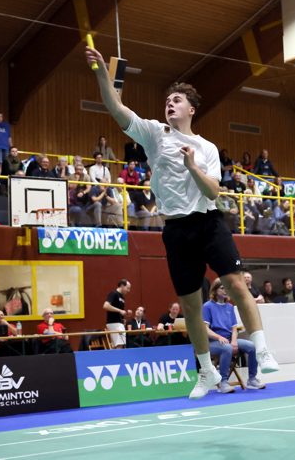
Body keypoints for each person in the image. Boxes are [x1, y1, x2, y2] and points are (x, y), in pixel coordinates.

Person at [85, 46, 279, 400]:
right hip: (175, 229)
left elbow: (215, 191)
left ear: (191, 109)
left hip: (208, 223)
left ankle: (263, 349)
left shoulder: (206, 148)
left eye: (177, 100)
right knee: (190, 305)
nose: (169, 104)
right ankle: (205, 371)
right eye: (167, 101)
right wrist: (101, 72)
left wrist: (193, 166)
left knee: (236, 283)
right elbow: (116, 109)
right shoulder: (155, 134)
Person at [203, 281, 267, 392]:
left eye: (227, 288)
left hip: (229, 341)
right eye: (222, 288)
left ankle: (252, 380)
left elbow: (234, 328)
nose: (225, 291)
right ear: (215, 290)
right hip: (212, 343)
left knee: (252, 346)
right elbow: (205, 329)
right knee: (227, 348)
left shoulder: (230, 306)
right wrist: (218, 337)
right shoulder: (207, 306)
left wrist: (233, 341)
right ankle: (223, 382)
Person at [103, 279, 132, 349]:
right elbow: (105, 306)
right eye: (127, 288)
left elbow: (119, 311)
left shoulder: (122, 297)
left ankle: (114, 359)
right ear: (122, 286)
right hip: (113, 322)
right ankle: (120, 359)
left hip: (119, 322)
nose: (129, 290)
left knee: (117, 344)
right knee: (120, 344)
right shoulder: (113, 293)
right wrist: (120, 311)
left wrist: (124, 314)